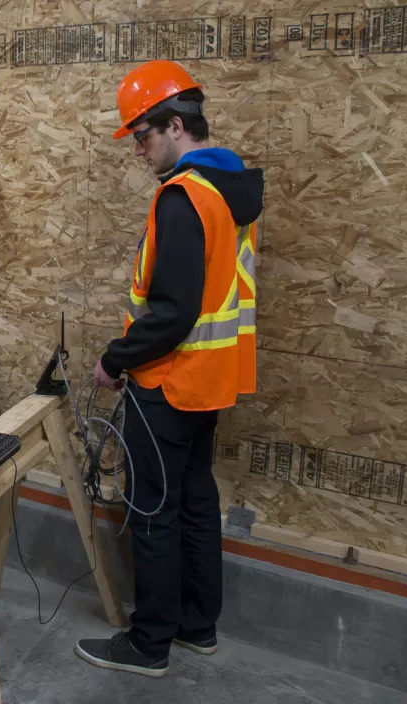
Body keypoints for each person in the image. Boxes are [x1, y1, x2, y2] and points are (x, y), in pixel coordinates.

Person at [76, 60, 263, 677]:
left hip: (168, 380)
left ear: (176, 125)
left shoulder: (184, 197)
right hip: (209, 384)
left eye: (142, 133)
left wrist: (113, 359)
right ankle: (196, 626)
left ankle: (149, 643)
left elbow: (174, 313)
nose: (137, 147)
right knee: (195, 501)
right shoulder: (230, 189)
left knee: (153, 511)